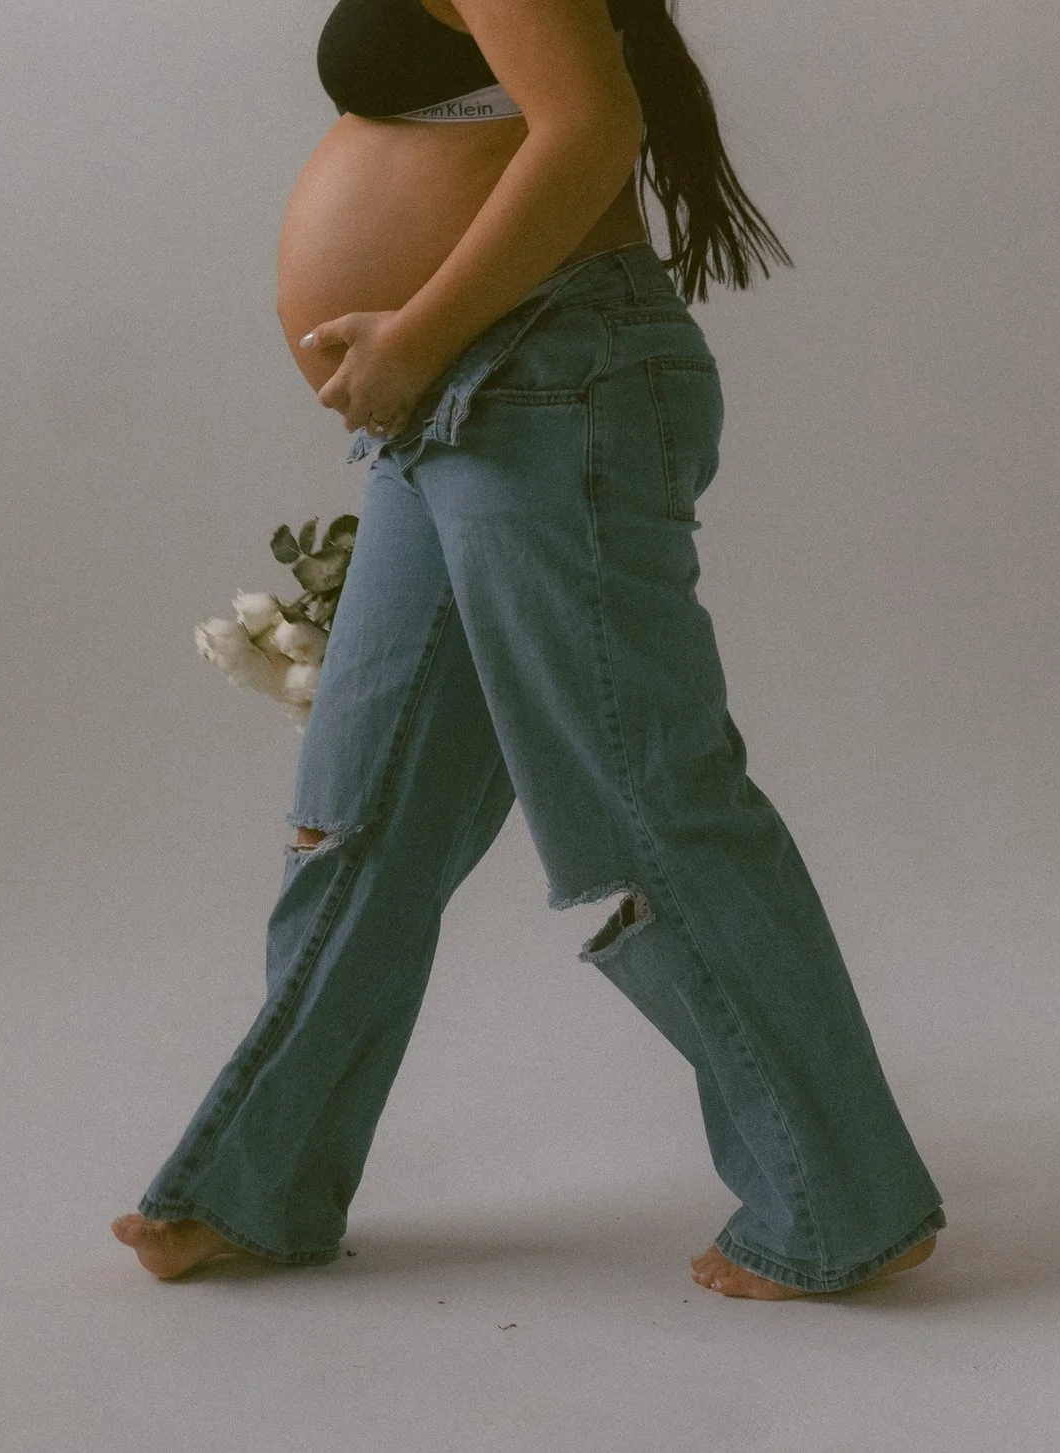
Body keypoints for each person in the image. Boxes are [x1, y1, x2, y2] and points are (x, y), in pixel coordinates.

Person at [112, 0, 944, 1300]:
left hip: (544, 381)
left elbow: (592, 125)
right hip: (457, 404)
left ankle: (842, 1206)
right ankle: (257, 1189)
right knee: (359, 816)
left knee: (651, 800)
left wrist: (411, 336)